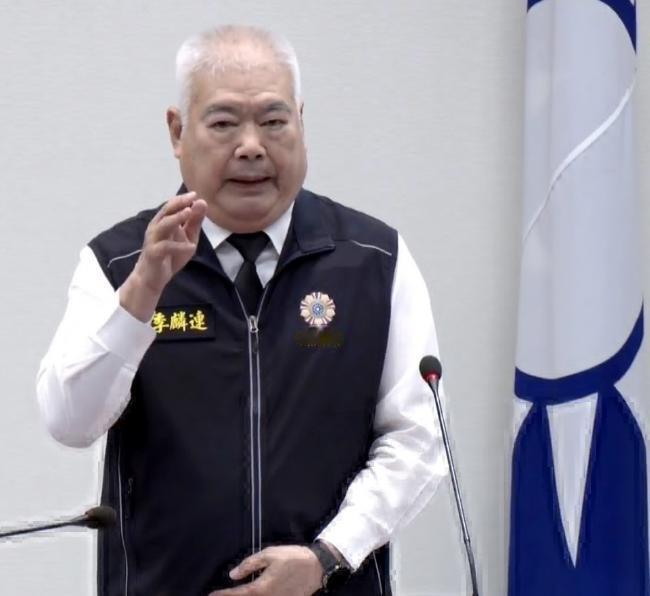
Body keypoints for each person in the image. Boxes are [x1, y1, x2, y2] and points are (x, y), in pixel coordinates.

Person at [37, 25, 446, 596]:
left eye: (274, 122)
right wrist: (142, 293)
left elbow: (416, 439)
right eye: (225, 123)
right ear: (178, 131)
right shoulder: (118, 263)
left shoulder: (373, 261)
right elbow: (70, 421)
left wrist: (328, 556)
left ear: (301, 122)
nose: (251, 146)